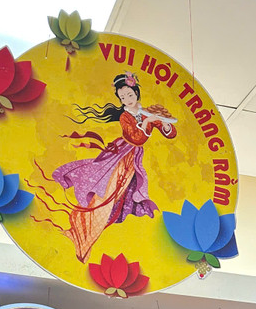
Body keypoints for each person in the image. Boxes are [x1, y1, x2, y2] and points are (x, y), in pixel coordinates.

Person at [50, 72, 177, 263]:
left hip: (132, 161)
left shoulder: (146, 113)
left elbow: (171, 133)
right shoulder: (126, 116)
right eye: (122, 96)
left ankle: (85, 237)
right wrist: (149, 122)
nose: (126, 98)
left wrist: (164, 124)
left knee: (115, 201)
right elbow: (136, 137)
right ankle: (82, 235)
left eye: (129, 94)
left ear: (136, 92)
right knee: (103, 195)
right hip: (118, 157)